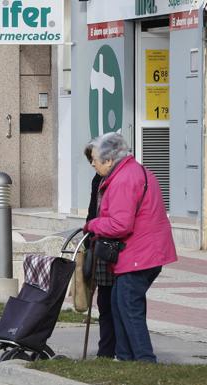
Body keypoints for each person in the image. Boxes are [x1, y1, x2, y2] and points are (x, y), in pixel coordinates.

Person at [84, 132, 177, 362]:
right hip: (147, 252)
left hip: (139, 254)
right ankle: (125, 358)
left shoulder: (124, 180)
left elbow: (120, 225)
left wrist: (92, 225)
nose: (93, 163)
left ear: (109, 159)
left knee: (128, 306)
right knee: (119, 302)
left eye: (95, 159)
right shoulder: (135, 171)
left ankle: (145, 360)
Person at [83, 143, 114, 358]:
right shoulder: (98, 179)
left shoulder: (117, 180)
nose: (92, 164)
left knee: (114, 302)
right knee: (104, 300)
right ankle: (106, 350)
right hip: (99, 242)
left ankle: (116, 350)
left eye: (94, 159)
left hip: (112, 246)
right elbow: (92, 209)